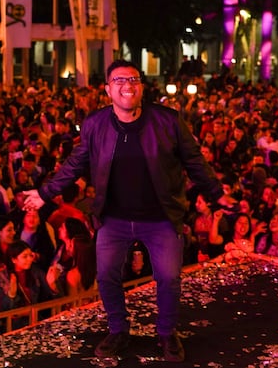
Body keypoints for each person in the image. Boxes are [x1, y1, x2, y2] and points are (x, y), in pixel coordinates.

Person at [24, 60, 223, 362]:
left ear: (141, 86)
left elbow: (194, 161)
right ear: (107, 89)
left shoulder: (168, 120)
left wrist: (217, 193)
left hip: (160, 218)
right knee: (106, 277)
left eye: (134, 79)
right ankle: (118, 330)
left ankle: (167, 333)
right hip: (114, 218)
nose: (127, 85)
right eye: (119, 80)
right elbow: (75, 164)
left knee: (168, 278)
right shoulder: (95, 124)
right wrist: (44, 193)